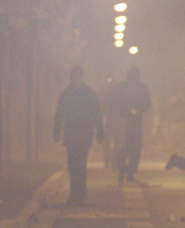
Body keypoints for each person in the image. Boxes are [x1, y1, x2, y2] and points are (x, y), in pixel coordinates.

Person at [53, 66, 104, 206]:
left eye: (76, 76)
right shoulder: (70, 93)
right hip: (71, 133)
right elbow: (60, 112)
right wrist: (56, 129)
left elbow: (96, 113)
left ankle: (78, 193)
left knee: (80, 164)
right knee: (73, 164)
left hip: (83, 134)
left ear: (81, 77)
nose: (74, 79)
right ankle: (76, 193)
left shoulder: (87, 94)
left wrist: (100, 130)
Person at [111, 66, 151, 183]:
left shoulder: (123, 87)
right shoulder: (139, 87)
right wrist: (134, 111)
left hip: (131, 121)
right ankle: (127, 172)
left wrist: (134, 111)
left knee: (129, 149)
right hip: (128, 121)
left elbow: (147, 103)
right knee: (129, 148)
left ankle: (126, 172)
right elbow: (147, 103)